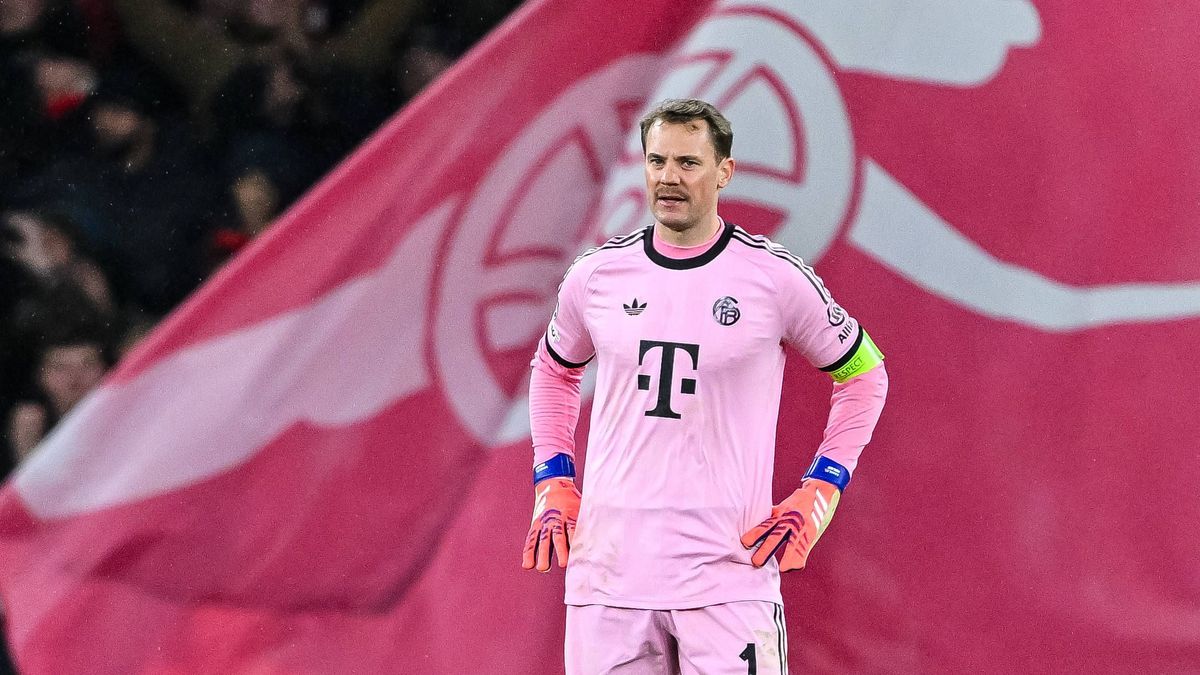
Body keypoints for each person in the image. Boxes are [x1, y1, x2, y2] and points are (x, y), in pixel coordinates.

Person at [521, 99, 889, 674]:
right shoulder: (595, 277)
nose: (669, 177)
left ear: (725, 172)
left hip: (727, 578)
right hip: (609, 579)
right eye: (657, 161)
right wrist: (554, 480)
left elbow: (863, 373)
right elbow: (552, 372)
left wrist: (822, 487)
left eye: (688, 163)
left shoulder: (774, 279)